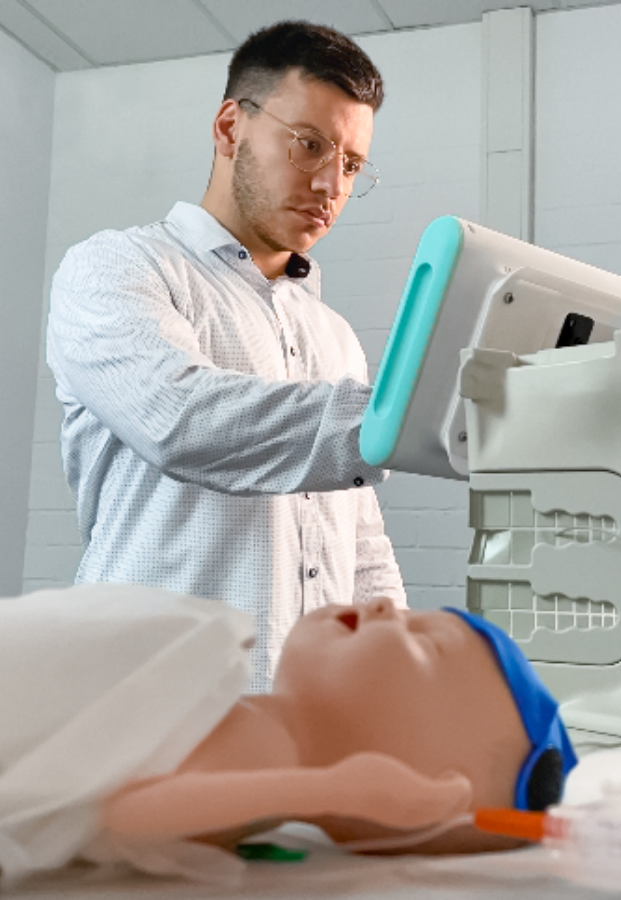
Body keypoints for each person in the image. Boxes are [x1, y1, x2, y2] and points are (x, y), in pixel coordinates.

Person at [46, 21, 404, 692]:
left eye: (352, 164)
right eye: (309, 145)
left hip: (302, 726)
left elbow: (363, 550)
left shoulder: (336, 337)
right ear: (230, 127)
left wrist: (397, 676)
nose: (331, 183)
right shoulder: (117, 268)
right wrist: (400, 416)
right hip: (146, 713)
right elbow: (181, 418)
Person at [0, 585, 577, 883]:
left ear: (435, 782)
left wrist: (335, 788)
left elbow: (126, 809)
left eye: (425, 643)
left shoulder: (261, 743)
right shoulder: (241, 713)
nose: (383, 604)